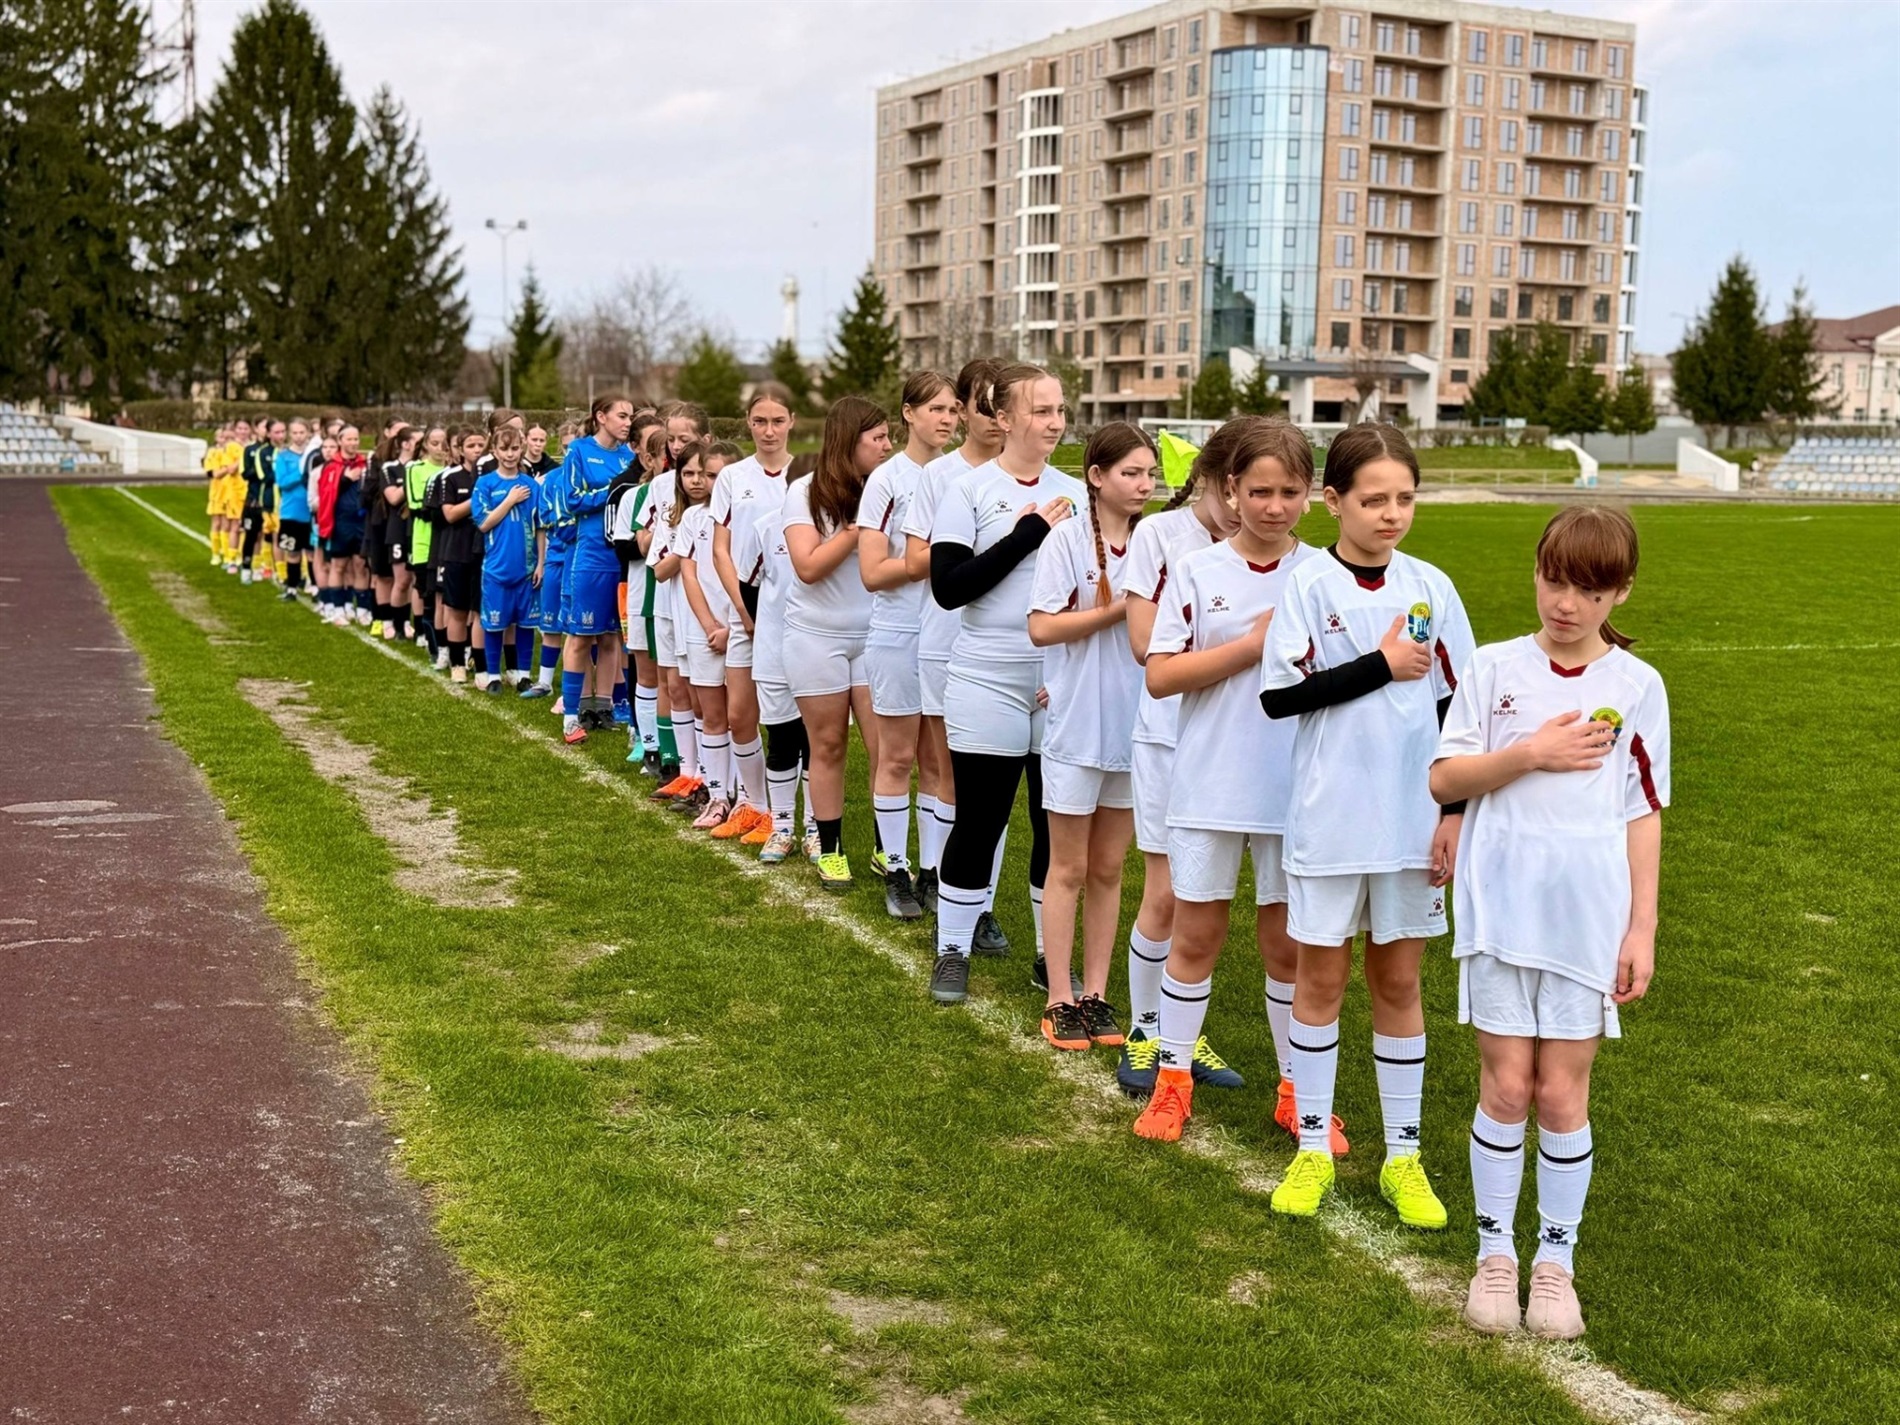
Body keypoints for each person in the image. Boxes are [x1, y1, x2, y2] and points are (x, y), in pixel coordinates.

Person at [1430, 506, 1667, 1341]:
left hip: (1585, 920)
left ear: (1620, 592)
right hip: (1499, 910)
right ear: (1535, 571)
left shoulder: (1637, 686)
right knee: (1505, 1086)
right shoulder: (1493, 667)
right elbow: (1445, 777)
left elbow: (1642, 810)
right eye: (1555, 580)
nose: (1567, 603)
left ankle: (1554, 1264)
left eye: (1590, 590)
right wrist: (1529, 752)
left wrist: (1641, 927)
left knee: (1562, 1093)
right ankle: (1495, 1254)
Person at [1258, 423, 1475, 1229]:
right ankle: (1314, 1147)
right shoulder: (1308, 585)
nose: (1392, 514)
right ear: (1334, 501)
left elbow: (1460, 712)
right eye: (1374, 498)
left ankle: (1402, 1159)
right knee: (1320, 981)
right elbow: (1278, 697)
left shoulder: (1432, 587)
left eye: (1405, 498)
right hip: (1330, 820)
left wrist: (1453, 813)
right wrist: (1380, 666)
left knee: (1399, 982)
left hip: (1411, 825)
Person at [1128, 420, 1347, 1158]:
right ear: (1231, 489)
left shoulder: (1324, 575)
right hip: (1211, 783)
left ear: (1311, 495)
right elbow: (1161, 675)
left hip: (1297, 792)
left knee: (1287, 945)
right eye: (1259, 491)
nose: (1274, 506)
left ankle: (1296, 1093)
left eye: (1289, 491)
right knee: (1195, 934)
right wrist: (1252, 646)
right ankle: (1172, 1080)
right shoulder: (1198, 571)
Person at [924, 363, 1084, 1006]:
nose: (1054, 422)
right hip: (986, 674)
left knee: (1054, 828)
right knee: (980, 820)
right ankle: (953, 949)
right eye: (1041, 410)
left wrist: (1068, 669)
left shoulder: (1076, 493)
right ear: (1004, 416)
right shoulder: (967, 490)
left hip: (1057, 683)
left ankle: (1052, 958)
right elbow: (949, 588)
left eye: (1060, 410)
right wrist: (1026, 535)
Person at [1115, 424, 1246, 1096]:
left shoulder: (1277, 549)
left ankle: (1184, 1032)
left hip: (1242, 744)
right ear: (1207, 479)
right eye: (1232, 490)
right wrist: (1245, 643)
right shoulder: (1160, 537)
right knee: (1167, 893)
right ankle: (1146, 1030)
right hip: (1170, 737)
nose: (1241, 506)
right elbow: (1145, 644)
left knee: (1210, 903)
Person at [1026, 421, 1156, 1050]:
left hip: (1136, 730)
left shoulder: (1155, 542)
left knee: (1109, 868)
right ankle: (1059, 996)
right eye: (1131, 473)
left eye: (1150, 473)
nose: (1144, 484)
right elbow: (1041, 628)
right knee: (1069, 867)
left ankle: (1097, 994)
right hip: (1078, 726)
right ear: (1097, 477)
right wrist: (1118, 609)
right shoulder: (1066, 540)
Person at [900, 359, 1005, 925]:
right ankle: (940, 878)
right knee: (947, 772)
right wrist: (976, 554)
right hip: (947, 638)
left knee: (996, 786)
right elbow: (918, 556)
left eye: (1002, 405)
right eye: (983, 405)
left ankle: (979, 902)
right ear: (963, 409)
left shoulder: (1035, 479)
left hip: (1015, 649)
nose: (994, 417)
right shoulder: (940, 477)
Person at [858, 372, 957, 916]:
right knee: (896, 756)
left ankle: (933, 872)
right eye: (936, 408)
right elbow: (873, 572)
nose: (947, 419)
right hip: (897, 631)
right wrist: (932, 561)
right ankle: (895, 868)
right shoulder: (886, 479)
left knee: (939, 762)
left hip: (949, 635)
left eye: (953, 409)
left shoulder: (964, 475)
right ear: (908, 413)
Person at [782, 397, 890, 891]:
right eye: (878, 438)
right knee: (828, 744)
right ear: (849, 440)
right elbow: (807, 567)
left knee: (885, 747)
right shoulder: (804, 492)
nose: (887, 447)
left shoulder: (888, 489)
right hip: (815, 635)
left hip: (876, 637)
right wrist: (854, 533)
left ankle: (888, 851)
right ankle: (831, 850)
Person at [708, 385, 796, 834]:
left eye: (777, 421)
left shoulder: (805, 475)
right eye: (760, 421)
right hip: (744, 613)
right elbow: (720, 551)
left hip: (795, 615)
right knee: (740, 714)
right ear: (748, 422)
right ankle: (754, 805)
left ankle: (794, 816)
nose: (768, 430)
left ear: (792, 422)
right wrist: (745, 613)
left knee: (793, 720)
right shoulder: (732, 477)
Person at [559, 394, 636, 743]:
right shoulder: (579, 450)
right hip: (590, 556)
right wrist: (612, 491)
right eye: (622, 416)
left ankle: (602, 708)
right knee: (580, 635)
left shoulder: (628, 456)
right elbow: (572, 500)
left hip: (618, 557)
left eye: (630, 417)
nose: (628, 422)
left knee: (610, 636)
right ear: (600, 417)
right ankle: (571, 714)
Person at [647, 441, 714, 809]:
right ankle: (687, 772)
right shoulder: (672, 515)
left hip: (705, 615)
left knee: (704, 697)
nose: (696, 480)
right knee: (677, 688)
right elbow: (659, 570)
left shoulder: (719, 515)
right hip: (672, 609)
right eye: (688, 473)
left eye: (703, 473)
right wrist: (684, 546)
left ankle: (708, 775)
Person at [472, 425, 540, 693]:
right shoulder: (485, 483)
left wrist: (541, 563)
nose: (510, 454)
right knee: (494, 623)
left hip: (526, 567)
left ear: (521, 449)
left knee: (526, 623)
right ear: (494, 451)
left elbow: (541, 527)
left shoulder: (530, 485)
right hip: (496, 568)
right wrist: (510, 500)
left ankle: (523, 674)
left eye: (514, 448)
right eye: (504, 449)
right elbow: (484, 523)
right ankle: (492, 676)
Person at [426, 427, 486, 680]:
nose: (477, 450)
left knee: (481, 611)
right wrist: (478, 499)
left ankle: (482, 666)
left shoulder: (492, 474)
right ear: (460, 450)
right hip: (457, 551)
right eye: (471, 445)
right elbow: (449, 514)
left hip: (485, 551)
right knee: (457, 610)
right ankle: (457, 663)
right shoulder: (450, 477)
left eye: (481, 445)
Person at [368, 425, 417, 640]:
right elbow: (394, 497)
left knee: (414, 580)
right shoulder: (390, 468)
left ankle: (407, 623)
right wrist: (414, 478)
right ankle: (395, 624)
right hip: (397, 529)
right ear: (405, 444)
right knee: (401, 579)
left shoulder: (421, 466)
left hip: (416, 529)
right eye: (417, 441)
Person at [405, 426, 450, 657]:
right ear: (425, 445)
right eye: (434, 443)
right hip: (424, 540)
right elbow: (416, 504)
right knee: (425, 590)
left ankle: (446, 644)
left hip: (448, 540)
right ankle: (424, 635)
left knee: (445, 595)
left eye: (444, 443)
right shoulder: (415, 469)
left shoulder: (452, 471)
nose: (440, 448)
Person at [319, 426, 371, 626]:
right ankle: (338, 609)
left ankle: (362, 610)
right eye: (349, 439)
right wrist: (345, 479)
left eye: (356, 439)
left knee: (360, 565)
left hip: (361, 523)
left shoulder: (364, 464)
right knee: (338, 565)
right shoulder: (332, 465)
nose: (353, 443)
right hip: (340, 523)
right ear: (340, 440)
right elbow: (326, 493)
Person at [272, 418, 314, 602]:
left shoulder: (314, 456)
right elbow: (282, 482)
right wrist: (301, 471)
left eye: (302, 432)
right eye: (295, 433)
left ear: (308, 433)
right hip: (291, 512)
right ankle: (291, 588)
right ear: (290, 434)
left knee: (312, 552)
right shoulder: (284, 456)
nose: (298, 436)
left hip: (312, 511)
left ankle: (315, 587)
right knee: (293, 551)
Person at [238, 417, 279, 584]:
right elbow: (245, 473)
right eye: (263, 427)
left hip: (272, 500)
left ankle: (268, 566)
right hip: (254, 498)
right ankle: (247, 567)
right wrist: (260, 467)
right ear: (256, 429)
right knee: (252, 535)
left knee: (271, 535)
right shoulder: (250, 450)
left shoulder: (276, 451)